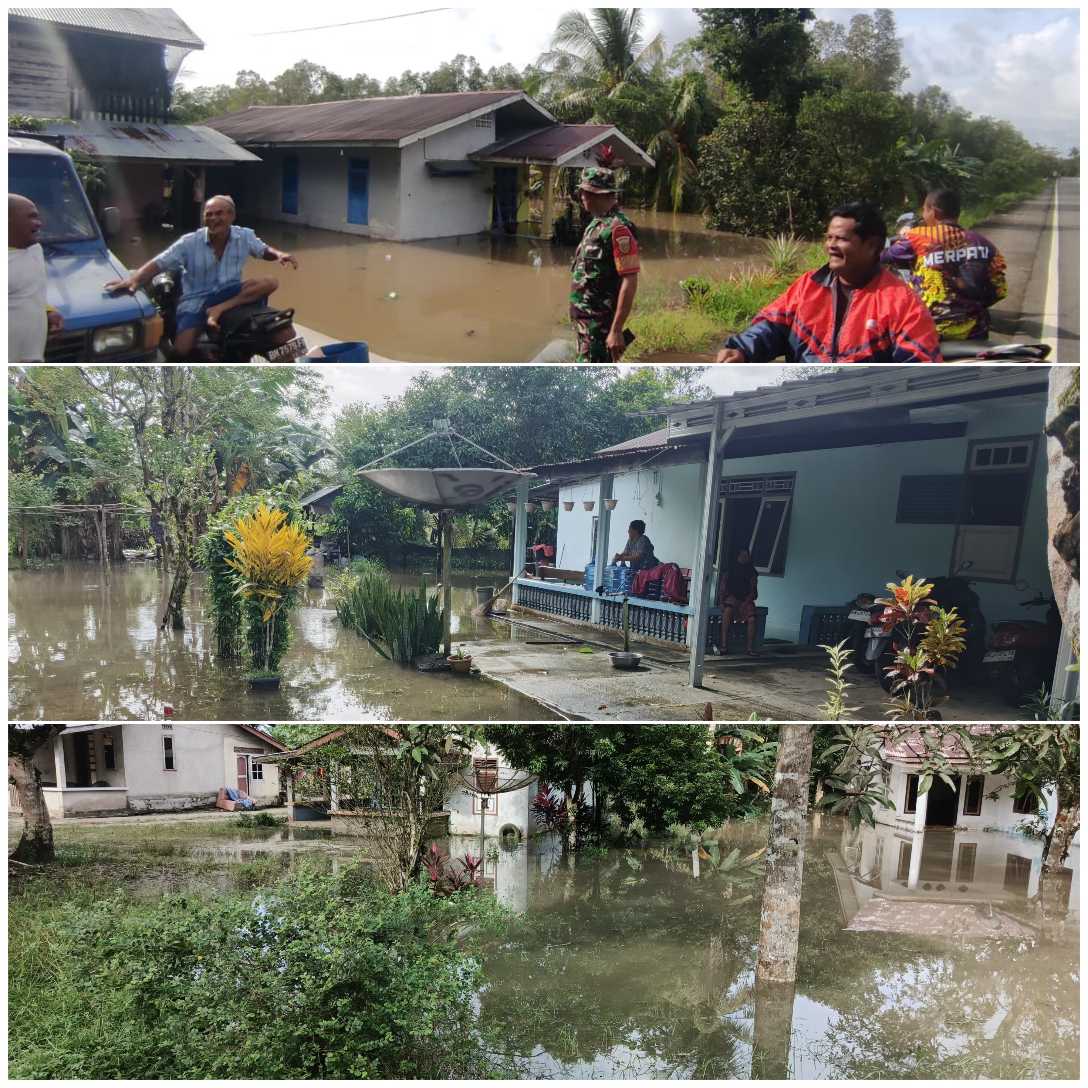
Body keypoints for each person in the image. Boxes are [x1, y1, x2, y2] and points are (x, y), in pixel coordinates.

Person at [715, 200, 941, 364]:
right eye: (829, 237)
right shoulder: (808, 286)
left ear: (872, 246)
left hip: (868, 413)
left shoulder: (902, 301)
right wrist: (742, 350)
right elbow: (772, 326)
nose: (830, 245)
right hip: (806, 402)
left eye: (841, 239)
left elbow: (918, 364)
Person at [105, 194, 298, 358]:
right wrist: (134, 280)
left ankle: (218, 309)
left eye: (219, 213)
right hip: (196, 300)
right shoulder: (189, 242)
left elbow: (263, 250)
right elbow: (159, 263)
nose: (213, 218)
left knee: (271, 281)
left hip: (231, 294)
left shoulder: (244, 236)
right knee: (182, 350)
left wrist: (280, 254)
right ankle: (212, 317)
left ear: (231, 216)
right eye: (209, 214)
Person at [881, 188, 1007, 340]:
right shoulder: (983, 242)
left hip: (928, 330)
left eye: (924, 211)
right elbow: (1000, 290)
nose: (923, 216)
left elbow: (884, 256)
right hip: (975, 330)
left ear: (934, 212)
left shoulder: (918, 237)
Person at [569, 166, 640, 364]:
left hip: (599, 326)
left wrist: (616, 330)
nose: (581, 196)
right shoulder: (597, 224)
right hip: (587, 325)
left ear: (596, 194)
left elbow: (630, 279)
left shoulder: (619, 229)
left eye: (584, 192)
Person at [9, 194, 63, 362]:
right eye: (31, 217)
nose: (39, 223)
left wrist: (47, 311)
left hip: (33, 359)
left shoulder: (35, 250)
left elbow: (30, 289)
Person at [718, 548, 759, 656]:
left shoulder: (752, 572)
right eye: (742, 556)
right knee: (726, 613)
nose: (745, 558)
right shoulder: (730, 569)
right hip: (732, 598)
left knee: (752, 619)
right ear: (738, 556)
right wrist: (721, 602)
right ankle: (724, 646)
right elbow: (722, 587)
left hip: (746, 599)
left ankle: (749, 649)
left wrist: (745, 603)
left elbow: (754, 592)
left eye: (747, 556)